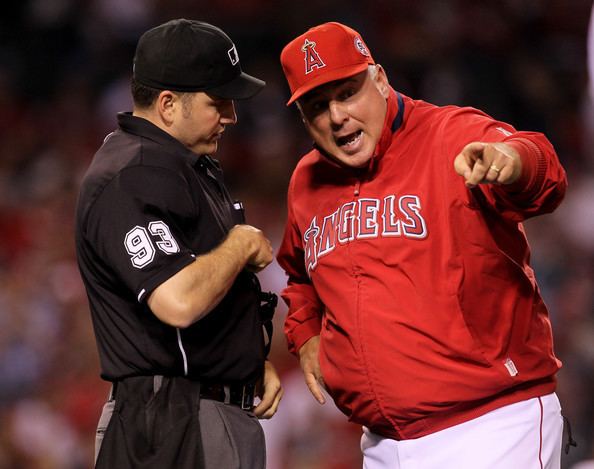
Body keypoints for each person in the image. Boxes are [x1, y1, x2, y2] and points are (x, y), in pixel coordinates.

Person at [277, 21, 569, 468]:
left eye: (347, 92)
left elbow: (543, 173)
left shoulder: (448, 133)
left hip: (491, 424)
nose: (336, 116)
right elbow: (300, 277)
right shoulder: (306, 182)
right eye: (317, 106)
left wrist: (514, 161)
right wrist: (306, 334)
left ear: (379, 79)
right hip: (382, 442)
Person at [75, 18, 282, 469]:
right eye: (218, 100)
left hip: (200, 412)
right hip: (170, 426)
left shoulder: (182, 165)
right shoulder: (132, 175)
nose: (231, 114)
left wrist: (242, 363)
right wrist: (241, 244)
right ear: (168, 104)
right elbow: (178, 301)